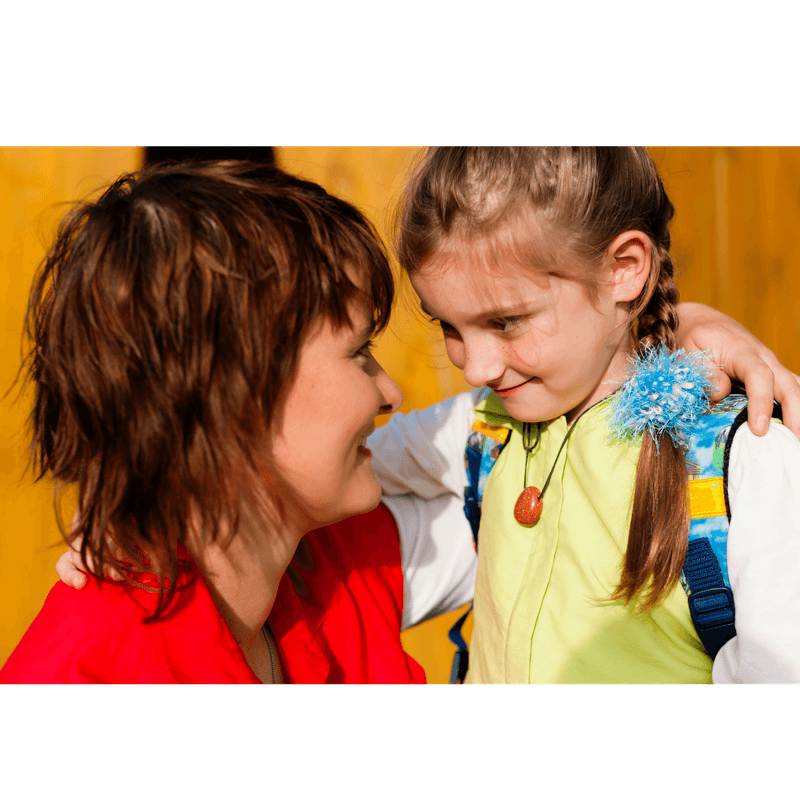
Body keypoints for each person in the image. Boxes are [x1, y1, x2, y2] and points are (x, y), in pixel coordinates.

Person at [367, 146, 800, 684]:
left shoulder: (741, 459)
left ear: (624, 270)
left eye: (505, 322)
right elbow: (347, 466)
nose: (474, 367)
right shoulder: (483, 427)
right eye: (449, 327)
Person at [1, 160, 441, 684]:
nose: (391, 392)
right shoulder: (85, 669)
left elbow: (519, 453)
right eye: (359, 352)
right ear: (233, 400)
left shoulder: (335, 567)